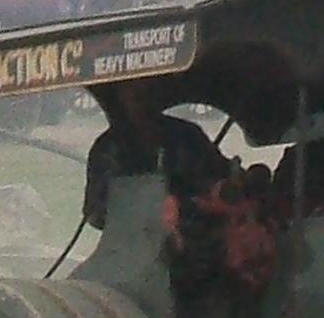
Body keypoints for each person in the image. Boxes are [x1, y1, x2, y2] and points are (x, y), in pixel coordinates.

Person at [82, 81, 232, 233]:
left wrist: (191, 204)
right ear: (122, 97)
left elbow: (221, 180)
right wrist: (144, 210)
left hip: (194, 239)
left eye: (147, 90)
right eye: (135, 94)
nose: (142, 98)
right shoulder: (108, 148)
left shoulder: (188, 135)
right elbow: (95, 212)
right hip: (130, 242)